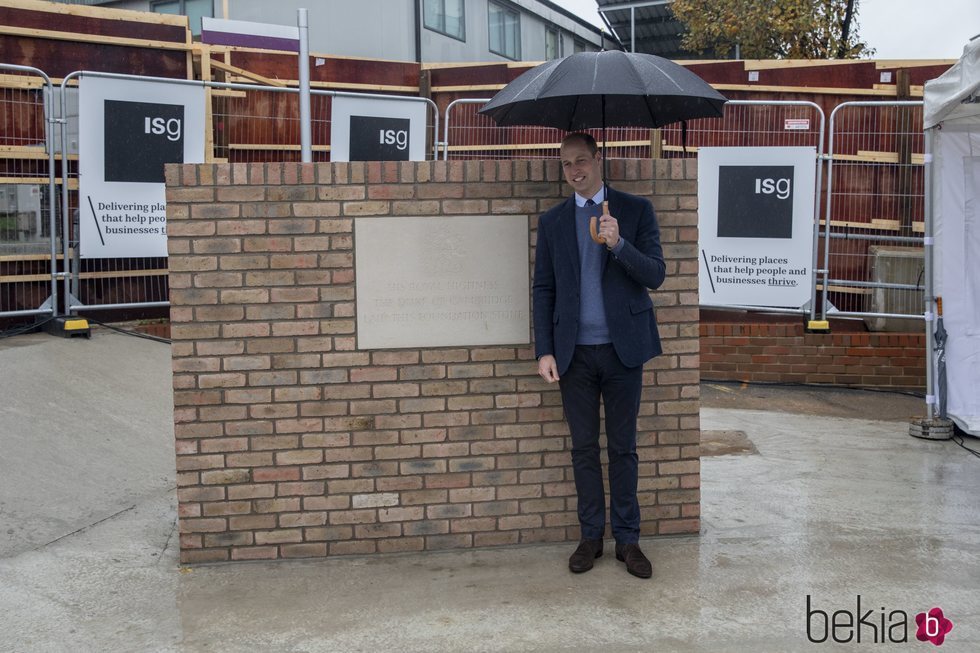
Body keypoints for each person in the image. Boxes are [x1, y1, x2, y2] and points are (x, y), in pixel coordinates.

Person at [532, 132, 666, 579]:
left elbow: (657, 275)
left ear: (599, 159)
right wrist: (545, 350)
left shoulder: (634, 210)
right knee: (584, 448)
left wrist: (618, 244)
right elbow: (544, 289)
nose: (575, 171)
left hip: (623, 350)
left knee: (623, 448)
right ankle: (592, 536)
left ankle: (628, 540)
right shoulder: (552, 222)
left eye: (582, 161)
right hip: (574, 355)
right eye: (567, 164)